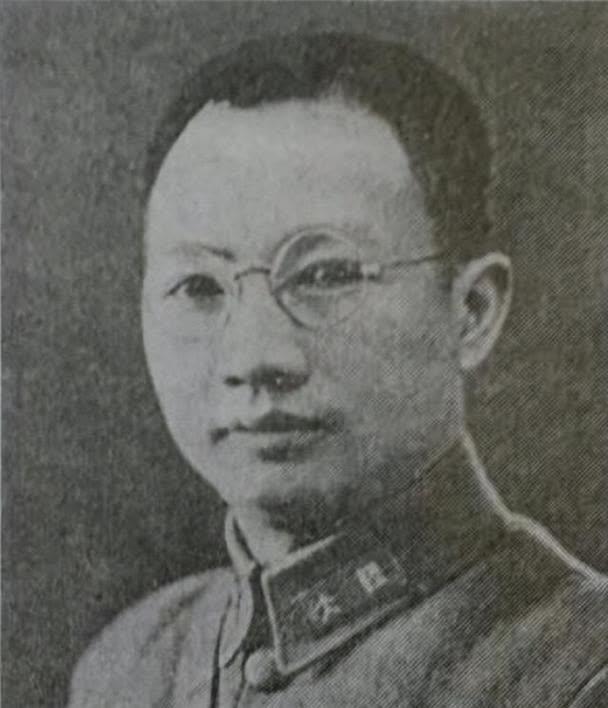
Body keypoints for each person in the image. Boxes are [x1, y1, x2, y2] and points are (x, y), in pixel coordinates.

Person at [68, 33, 607, 707]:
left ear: (470, 311)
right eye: (200, 288)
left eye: (325, 275)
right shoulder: (131, 665)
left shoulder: (578, 671)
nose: (255, 357)